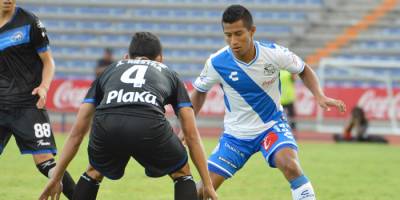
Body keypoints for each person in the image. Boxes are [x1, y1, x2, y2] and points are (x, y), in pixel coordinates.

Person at [191, 5, 346, 200]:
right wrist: (185, 125)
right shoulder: (216, 62)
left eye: (238, 34)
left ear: (252, 31)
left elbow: (303, 69)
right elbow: (199, 92)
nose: (233, 41)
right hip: (236, 136)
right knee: (204, 190)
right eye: (228, 35)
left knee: (290, 165)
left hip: (271, 126)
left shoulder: (274, 53)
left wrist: (319, 95)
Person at [39, 32, 218, 200]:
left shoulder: (109, 70)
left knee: (94, 170)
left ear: (126, 57)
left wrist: (56, 178)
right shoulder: (169, 73)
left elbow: (77, 133)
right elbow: (191, 135)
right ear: (160, 60)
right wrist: (207, 184)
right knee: (181, 172)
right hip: (150, 126)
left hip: (107, 125)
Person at [0, 1, 75, 199]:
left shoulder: (29, 21)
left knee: (46, 163)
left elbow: (48, 61)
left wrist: (44, 87)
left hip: (28, 103)